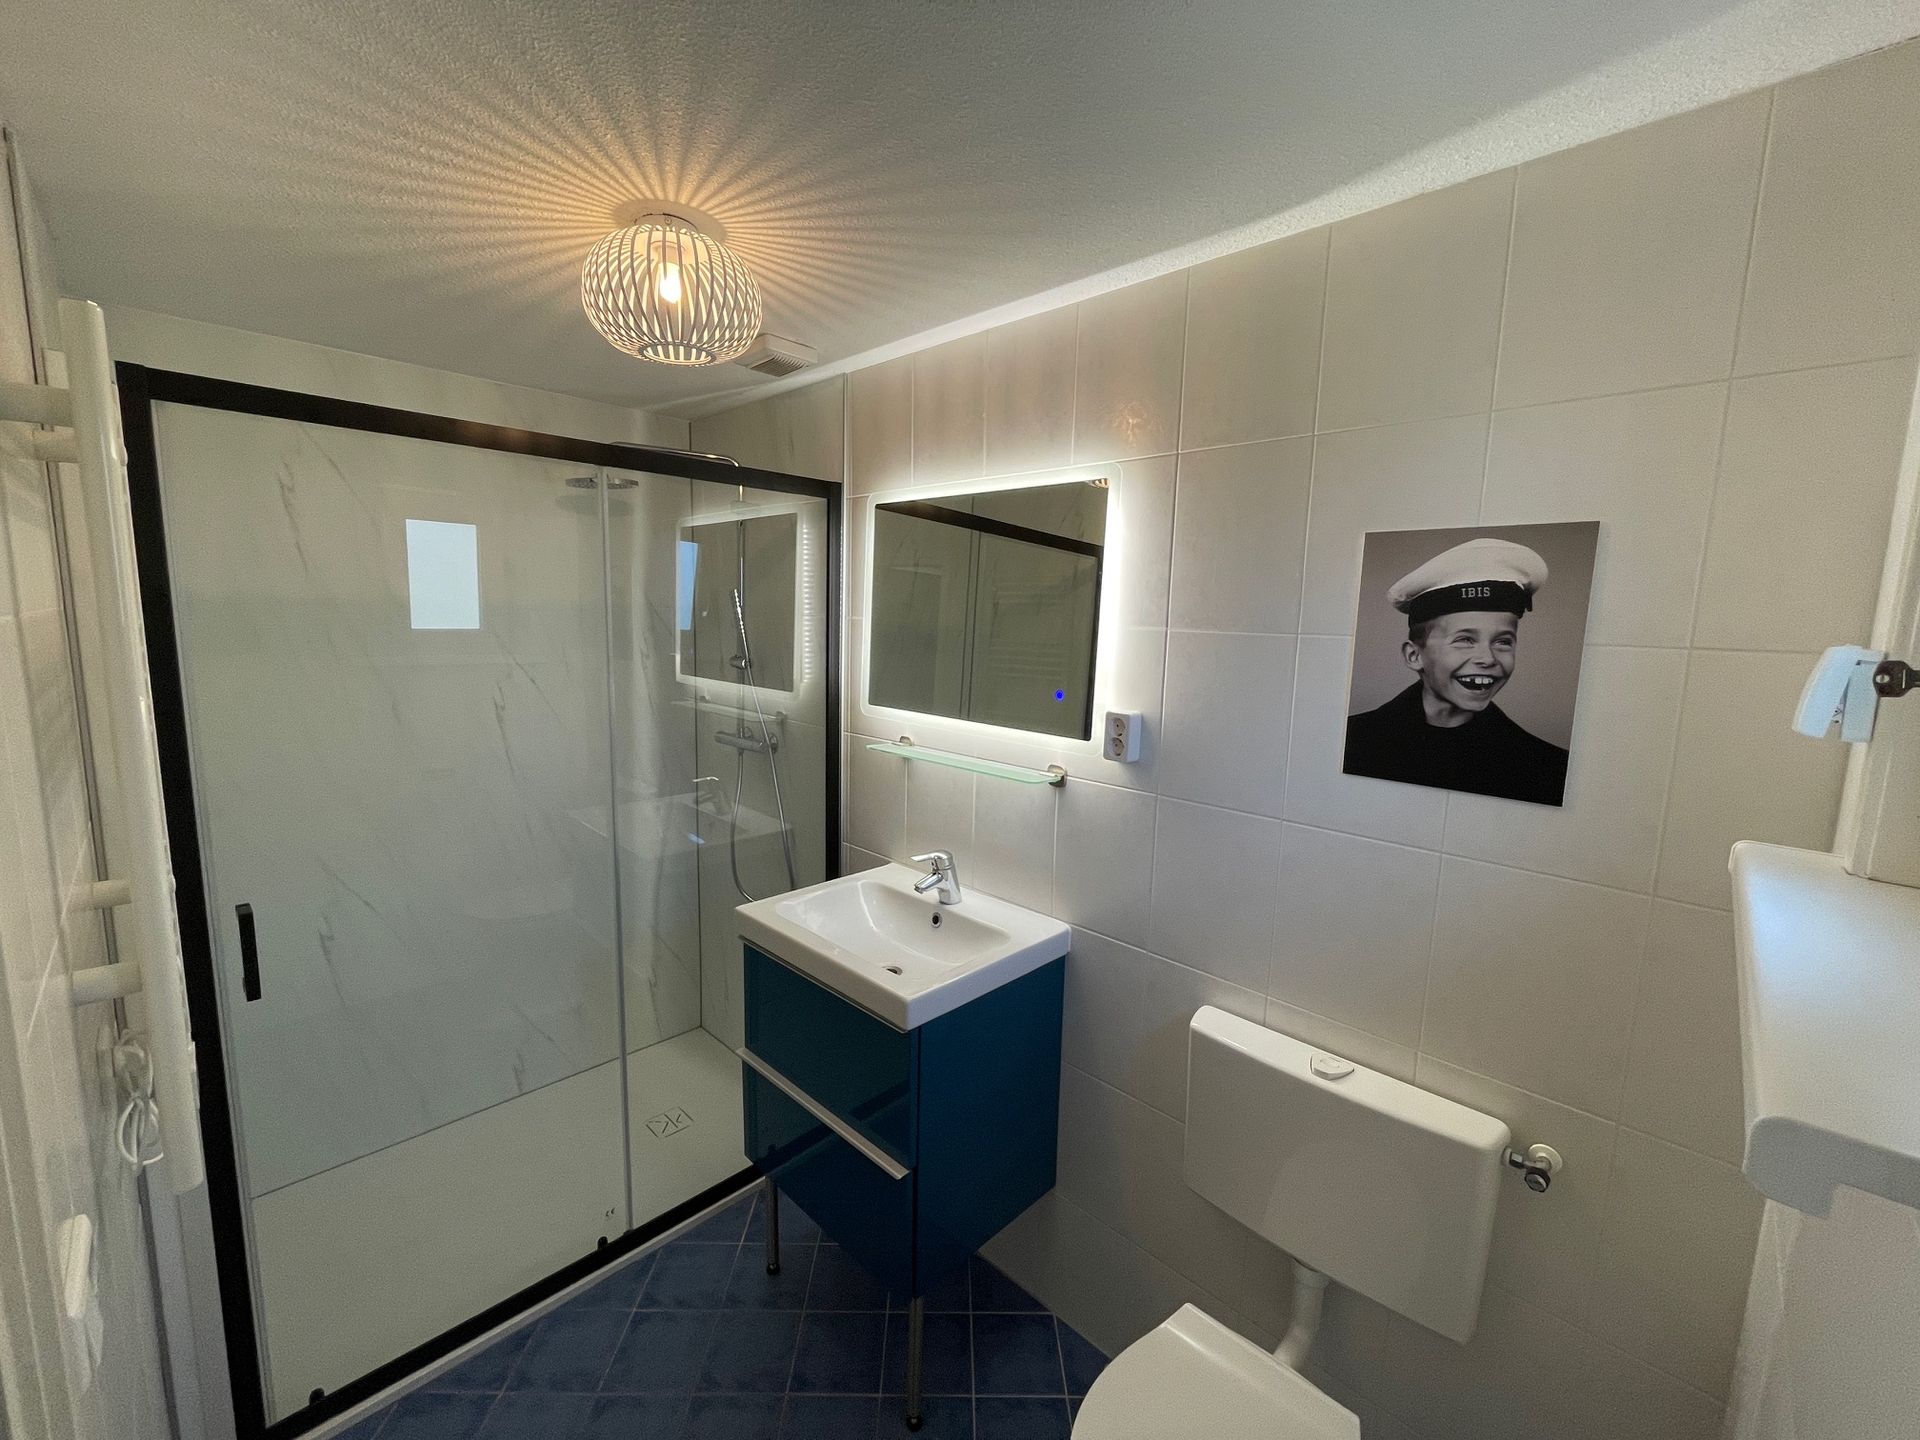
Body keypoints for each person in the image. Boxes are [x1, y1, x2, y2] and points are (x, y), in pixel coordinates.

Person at [1343, 536, 1569, 806]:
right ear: (1414, 656)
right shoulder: (1352, 742)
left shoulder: (1546, 768)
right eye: (1465, 640)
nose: (1487, 658)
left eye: (1503, 641)